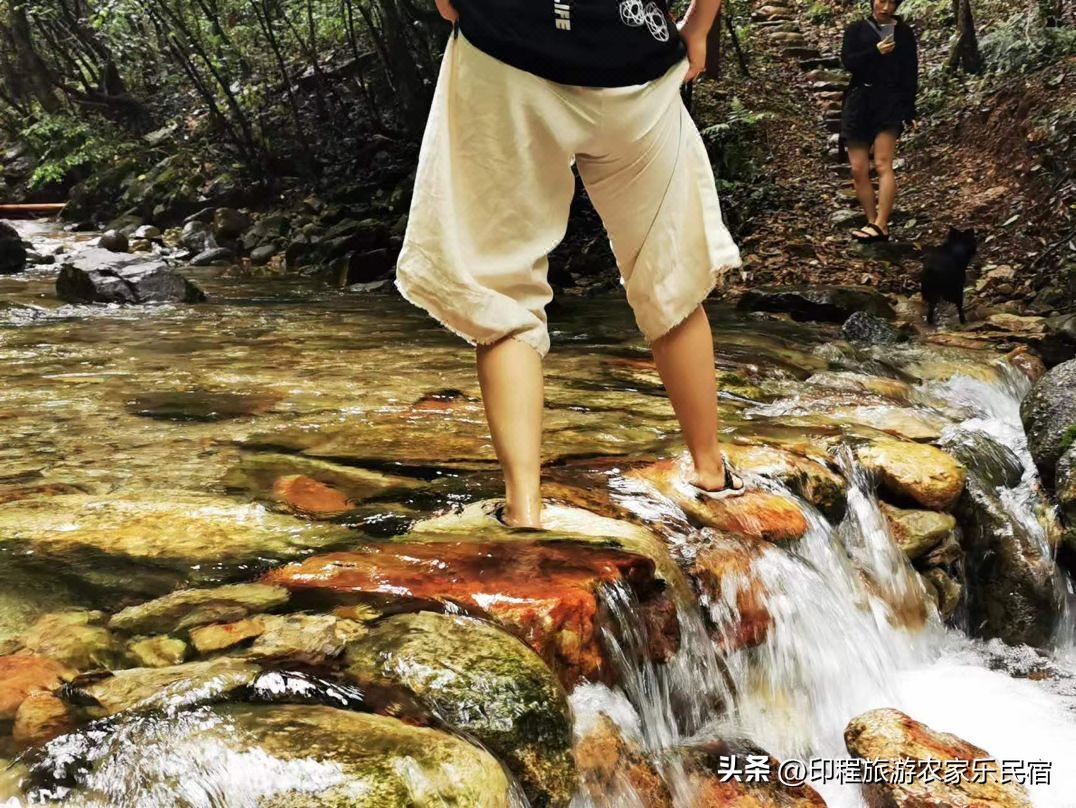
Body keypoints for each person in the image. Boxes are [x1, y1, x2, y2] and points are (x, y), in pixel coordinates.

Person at [396, 0, 745, 529]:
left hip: (508, 53)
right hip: (634, 59)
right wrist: (698, 27)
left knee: (501, 288)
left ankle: (524, 507)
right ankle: (709, 469)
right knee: (668, 270)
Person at [840, 0, 918, 243]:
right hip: (859, 101)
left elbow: (910, 72)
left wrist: (910, 110)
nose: (885, 8)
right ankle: (871, 221)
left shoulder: (904, 33)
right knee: (858, 168)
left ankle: (882, 223)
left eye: (891, 3)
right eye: (881, 1)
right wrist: (875, 51)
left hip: (889, 102)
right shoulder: (856, 29)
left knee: (883, 163)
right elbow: (848, 62)